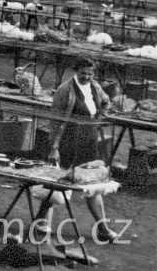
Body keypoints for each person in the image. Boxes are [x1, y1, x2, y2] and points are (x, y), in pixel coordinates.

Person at [34, 57, 120, 243]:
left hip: (89, 140)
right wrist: (54, 147)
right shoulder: (65, 90)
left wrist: (100, 118)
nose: (86, 77)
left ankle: (102, 229)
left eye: (90, 74)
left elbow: (106, 101)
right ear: (76, 71)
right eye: (83, 73)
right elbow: (55, 120)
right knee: (62, 182)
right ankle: (41, 220)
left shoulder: (95, 86)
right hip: (68, 140)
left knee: (93, 183)